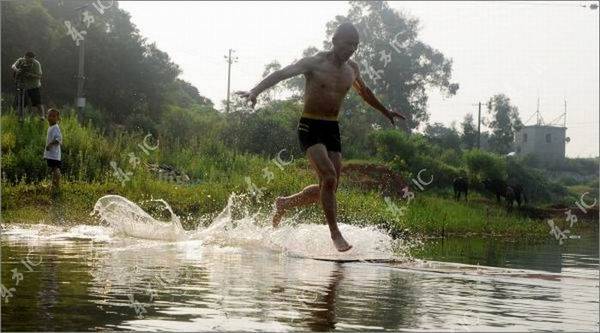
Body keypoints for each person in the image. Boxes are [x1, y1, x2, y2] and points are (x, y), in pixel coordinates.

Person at [237, 22, 406, 252]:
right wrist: (255, 91)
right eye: (348, 44)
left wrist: (386, 112)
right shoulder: (314, 62)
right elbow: (281, 73)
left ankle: (285, 203)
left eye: (355, 46)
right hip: (310, 126)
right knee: (328, 177)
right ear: (334, 41)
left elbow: (365, 93)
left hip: (331, 129)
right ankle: (336, 234)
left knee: (330, 185)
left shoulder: (353, 69)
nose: (351, 50)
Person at [11, 51, 45, 120]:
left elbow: (39, 76)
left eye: (31, 60)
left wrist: (30, 75)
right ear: (25, 57)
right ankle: (21, 117)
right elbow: (13, 66)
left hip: (34, 86)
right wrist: (17, 70)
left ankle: (42, 116)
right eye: (28, 60)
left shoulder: (36, 64)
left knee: (37, 102)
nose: (30, 62)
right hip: (23, 86)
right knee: (22, 103)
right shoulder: (21, 60)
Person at [44, 109, 63, 195]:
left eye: (54, 116)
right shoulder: (51, 127)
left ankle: (57, 186)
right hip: (52, 154)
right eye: (50, 115)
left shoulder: (55, 127)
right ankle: (54, 185)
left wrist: (50, 144)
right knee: (53, 169)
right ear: (47, 116)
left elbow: (58, 139)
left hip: (54, 154)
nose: (51, 118)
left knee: (55, 169)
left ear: (57, 118)